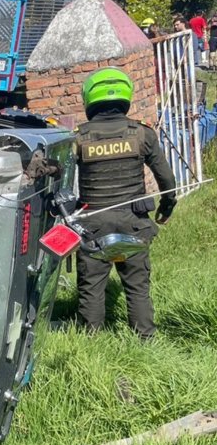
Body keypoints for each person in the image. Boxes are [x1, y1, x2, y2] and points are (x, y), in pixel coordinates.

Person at [74, 67, 176, 340]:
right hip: (133, 223)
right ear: (125, 96)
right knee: (137, 287)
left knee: (91, 288)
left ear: (89, 98)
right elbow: (167, 179)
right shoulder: (142, 134)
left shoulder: (78, 137)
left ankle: (90, 343)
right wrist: (167, 207)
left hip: (92, 225)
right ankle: (146, 339)